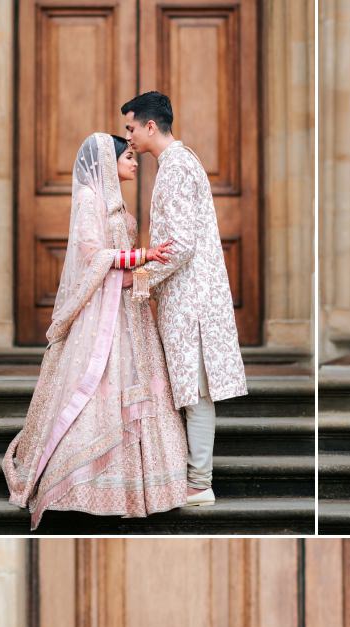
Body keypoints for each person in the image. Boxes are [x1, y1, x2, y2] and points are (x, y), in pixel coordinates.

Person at [2, 134, 188, 528]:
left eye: (136, 155)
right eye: (129, 157)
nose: (135, 163)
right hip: (103, 312)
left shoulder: (114, 201)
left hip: (127, 309)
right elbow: (91, 252)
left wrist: (140, 269)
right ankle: (80, 482)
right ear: (109, 161)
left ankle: (142, 486)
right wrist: (143, 255)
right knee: (98, 386)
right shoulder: (90, 198)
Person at [123, 92, 248, 507]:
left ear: (150, 126)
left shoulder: (175, 166)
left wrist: (142, 275)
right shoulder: (180, 161)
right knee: (190, 390)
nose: (129, 137)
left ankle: (199, 482)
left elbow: (179, 245)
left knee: (194, 392)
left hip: (191, 298)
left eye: (131, 127)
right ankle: (195, 477)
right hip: (190, 294)